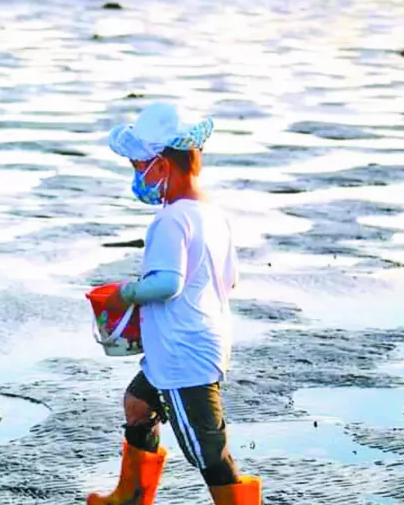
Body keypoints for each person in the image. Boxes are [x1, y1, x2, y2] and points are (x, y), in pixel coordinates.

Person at [87, 102, 261, 505]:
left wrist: (126, 294)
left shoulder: (171, 220)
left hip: (184, 355)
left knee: (207, 451)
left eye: (138, 166)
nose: (137, 177)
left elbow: (167, 283)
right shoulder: (211, 214)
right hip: (192, 342)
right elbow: (229, 278)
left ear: (162, 166)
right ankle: (131, 496)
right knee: (138, 403)